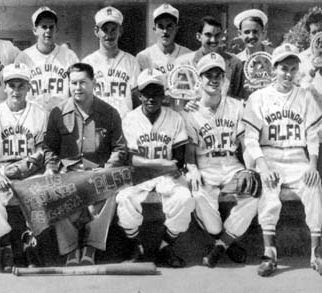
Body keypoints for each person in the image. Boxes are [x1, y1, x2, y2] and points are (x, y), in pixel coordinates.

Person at [242, 43, 322, 277]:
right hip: (270, 156)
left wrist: (312, 165)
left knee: (313, 187)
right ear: (274, 69)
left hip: (297, 156)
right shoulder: (259, 97)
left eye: (293, 69)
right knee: (268, 191)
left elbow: (312, 136)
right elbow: (250, 139)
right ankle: (270, 252)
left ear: (298, 70)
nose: (288, 74)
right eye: (283, 68)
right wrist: (263, 167)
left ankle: (316, 253)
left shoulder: (305, 96)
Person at [43, 63, 126, 266]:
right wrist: (50, 168)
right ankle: (71, 249)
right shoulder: (58, 112)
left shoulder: (109, 112)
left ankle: (91, 247)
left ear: (93, 84)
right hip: (68, 170)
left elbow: (120, 148)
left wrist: (107, 169)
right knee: (54, 191)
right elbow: (49, 148)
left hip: (98, 170)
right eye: (73, 83)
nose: (78, 88)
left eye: (83, 83)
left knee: (110, 190)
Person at [182, 53, 258, 268]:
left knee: (254, 193)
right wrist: (192, 168)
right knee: (197, 195)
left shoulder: (236, 106)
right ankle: (225, 238)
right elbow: (190, 151)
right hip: (206, 167)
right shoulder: (191, 111)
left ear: (224, 79)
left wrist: (251, 169)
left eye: (218, 75)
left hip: (231, 165)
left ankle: (220, 245)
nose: (214, 79)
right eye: (208, 75)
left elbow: (245, 143)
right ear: (200, 79)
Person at [116, 68, 194, 268]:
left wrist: (169, 166)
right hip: (141, 174)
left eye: (156, 92)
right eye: (146, 93)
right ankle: (136, 246)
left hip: (166, 175)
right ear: (139, 95)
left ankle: (166, 246)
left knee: (184, 199)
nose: (151, 98)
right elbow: (132, 159)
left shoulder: (175, 118)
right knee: (124, 199)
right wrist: (161, 163)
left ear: (164, 94)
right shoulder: (130, 119)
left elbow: (178, 158)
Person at [0, 62, 48, 271]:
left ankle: (30, 243)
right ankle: (5, 247)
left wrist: (30, 163)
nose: (16, 90)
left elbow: (44, 148)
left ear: (28, 87)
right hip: (1, 166)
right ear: (4, 87)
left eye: (21, 85)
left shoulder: (39, 113)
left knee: (39, 191)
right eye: (12, 85)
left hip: (30, 167)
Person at [15, 6, 79, 112]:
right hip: (32, 116)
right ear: (35, 30)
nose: (48, 30)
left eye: (51, 27)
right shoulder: (24, 57)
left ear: (56, 29)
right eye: (44, 27)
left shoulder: (69, 56)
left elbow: (77, 87)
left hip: (61, 116)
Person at [83, 6, 140, 118]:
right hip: (97, 125)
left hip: (124, 125)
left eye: (113, 29)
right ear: (96, 31)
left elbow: (137, 102)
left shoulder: (131, 62)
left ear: (120, 31)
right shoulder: (87, 63)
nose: (109, 35)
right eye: (105, 30)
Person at [176, 16, 245, 100]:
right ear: (198, 36)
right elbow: (179, 96)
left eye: (217, 35)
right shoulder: (184, 62)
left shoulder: (234, 62)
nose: (213, 40)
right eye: (208, 35)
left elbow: (238, 97)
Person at [136, 3, 191, 77]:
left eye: (169, 26)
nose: (165, 31)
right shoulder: (144, 57)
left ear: (176, 29)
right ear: (154, 29)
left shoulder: (188, 55)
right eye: (161, 26)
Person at [298, 10, 322, 101]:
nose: (318, 36)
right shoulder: (301, 58)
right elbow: (300, 85)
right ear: (309, 35)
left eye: (321, 31)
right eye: (314, 32)